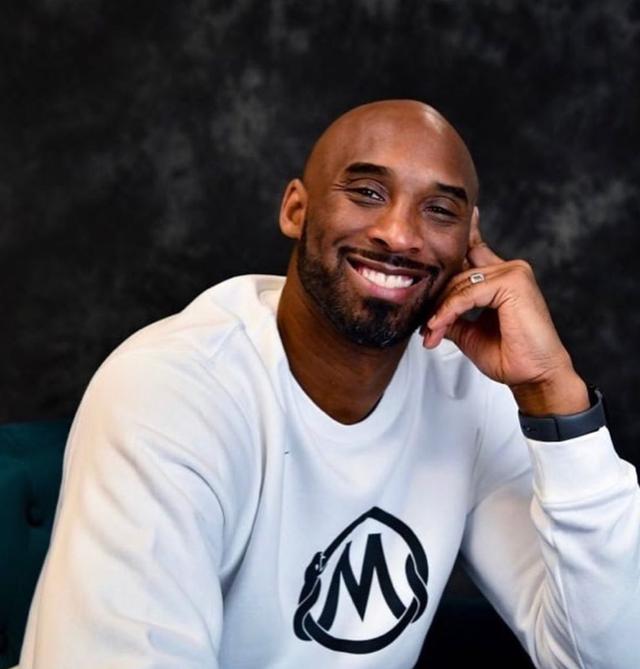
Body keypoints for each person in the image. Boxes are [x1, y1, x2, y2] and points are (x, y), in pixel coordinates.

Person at [19, 100, 640, 669]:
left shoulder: (467, 392)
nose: (400, 234)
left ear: (469, 243)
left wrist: (552, 394)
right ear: (297, 209)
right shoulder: (172, 390)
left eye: (439, 210)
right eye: (367, 192)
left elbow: (609, 657)